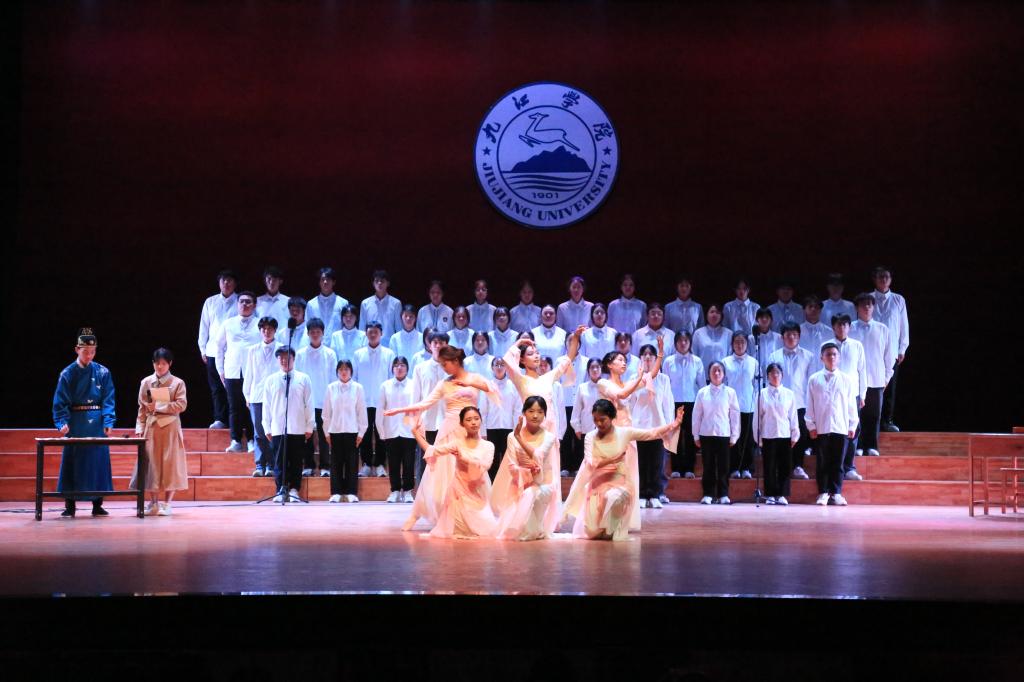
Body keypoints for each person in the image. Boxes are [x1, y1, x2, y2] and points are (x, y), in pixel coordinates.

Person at [384, 346, 497, 531]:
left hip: (469, 430)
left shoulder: (474, 378)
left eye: (445, 364)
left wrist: (470, 384)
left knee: (470, 471)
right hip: (449, 430)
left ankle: (468, 515)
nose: (444, 368)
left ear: (455, 361)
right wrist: (400, 410)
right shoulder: (444, 383)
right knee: (437, 474)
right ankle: (418, 514)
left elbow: (492, 390)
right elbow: (425, 403)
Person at [563, 399, 683, 541]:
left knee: (614, 498)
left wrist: (674, 424)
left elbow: (651, 433)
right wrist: (613, 460)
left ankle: (614, 529)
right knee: (592, 532)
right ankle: (604, 527)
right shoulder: (590, 437)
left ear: (612, 417)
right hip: (597, 485)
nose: (599, 423)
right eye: (595, 420)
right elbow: (591, 463)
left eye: (602, 419)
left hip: (620, 483)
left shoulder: (624, 433)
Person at [593, 339, 666, 523]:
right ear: (609, 365)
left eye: (625, 360)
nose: (624, 362)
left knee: (629, 473)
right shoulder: (603, 382)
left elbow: (652, 374)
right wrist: (639, 378)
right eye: (619, 360)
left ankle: (624, 517)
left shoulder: (628, 382)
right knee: (612, 473)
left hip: (627, 433)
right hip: (612, 434)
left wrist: (660, 353)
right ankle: (605, 515)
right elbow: (622, 394)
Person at [52, 328, 115, 518]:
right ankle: (70, 505)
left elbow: (108, 399)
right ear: (77, 349)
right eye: (85, 351)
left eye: (93, 351)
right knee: (73, 461)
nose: (89, 355)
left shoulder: (103, 372)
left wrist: (108, 420)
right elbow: (60, 401)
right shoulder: (67, 373)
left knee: (97, 462)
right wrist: (61, 421)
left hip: (97, 423)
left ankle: (98, 504)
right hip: (76, 422)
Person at [410, 407, 497, 539]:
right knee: (459, 530)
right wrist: (416, 433)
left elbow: (485, 465)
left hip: (477, 491)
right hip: (458, 494)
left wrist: (464, 458)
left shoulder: (488, 445)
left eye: (476, 419)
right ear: (462, 424)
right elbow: (432, 450)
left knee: (487, 530)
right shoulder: (457, 444)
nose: (473, 422)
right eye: (469, 420)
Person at [491, 397, 562, 541]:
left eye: (540, 412)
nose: (535, 415)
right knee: (523, 526)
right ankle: (535, 528)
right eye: (531, 411)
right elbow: (512, 466)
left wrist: (519, 438)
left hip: (542, 484)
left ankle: (535, 528)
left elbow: (538, 455)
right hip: (519, 484)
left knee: (529, 495)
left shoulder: (549, 437)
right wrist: (525, 472)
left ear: (545, 414)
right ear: (523, 413)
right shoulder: (511, 437)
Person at [131, 348, 188, 516]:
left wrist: (159, 406)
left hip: (170, 428)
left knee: (171, 464)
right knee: (151, 465)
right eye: (157, 363)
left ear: (170, 364)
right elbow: (142, 408)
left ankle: (167, 504)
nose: (160, 367)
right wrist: (140, 427)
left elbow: (181, 404)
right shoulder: (146, 382)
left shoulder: (177, 383)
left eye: (163, 363)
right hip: (152, 427)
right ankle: (154, 502)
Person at [502, 326, 585, 436]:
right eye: (530, 354)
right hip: (530, 429)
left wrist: (576, 336)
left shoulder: (547, 378)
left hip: (549, 429)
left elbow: (568, 358)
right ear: (522, 360)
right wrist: (519, 342)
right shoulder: (521, 380)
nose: (536, 356)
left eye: (537, 353)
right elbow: (507, 360)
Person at [806, 342, 859, 506]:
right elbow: (810, 404)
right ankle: (823, 492)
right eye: (828, 354)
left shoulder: (847, 380)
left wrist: (852, 425)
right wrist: (811, 425)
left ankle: (836, 493)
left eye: (834, 354)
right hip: (822, 427)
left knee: (838, 463)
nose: (831, 357)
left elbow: (851, 405)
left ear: (839, 357)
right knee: (822, 462)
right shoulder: (814, 379)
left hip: (840, 426)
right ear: (822, 357)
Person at [261, 348, 314, 503]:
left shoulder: (304, 378)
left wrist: (309, 426)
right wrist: (267, 427)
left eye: (288, 358)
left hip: (297, 427)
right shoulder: (271, 380)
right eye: (281, 358)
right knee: (279, 462)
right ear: (278, 360)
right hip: (278, 428)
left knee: (296, 461)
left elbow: (309, 403)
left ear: (294, 359)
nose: (284, 361)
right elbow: (266, 406)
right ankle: (280, 489)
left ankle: (294, 489)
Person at [767, 323, 816, 480]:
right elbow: (769, 379)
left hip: (801, 402)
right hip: (779, 403)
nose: (791, 337)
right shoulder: (774, 356)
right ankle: (782, 467)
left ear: (799, 337)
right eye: (788, 334)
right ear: (782, 337)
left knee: (799, 435)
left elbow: (811, 381)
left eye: (794, 334)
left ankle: (798, 466)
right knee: (781, 436)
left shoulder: (808, 356)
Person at [630, 344, 675, 508]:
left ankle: (655, 494)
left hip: (658, 425)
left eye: (651, 355)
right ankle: (642, 494)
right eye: (644, 355)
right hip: (639, 426)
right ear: (640, 359)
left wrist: (669, 426)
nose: (648, 357)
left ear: (656, 359)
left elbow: (668, 404)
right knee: (641, 462)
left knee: (657, 462)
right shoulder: (635, 378)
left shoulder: (663, 379)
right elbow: (630, 404)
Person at [215, 291, 260, 453]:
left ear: (254, 305)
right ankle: (235, 440)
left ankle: (251, 440)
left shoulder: (260, 324)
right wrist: (220, 370)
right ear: (237, 304)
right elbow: (218, 348)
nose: (245, 304)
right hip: (232, 370)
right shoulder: (228, 323)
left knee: (250, 406)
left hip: (252, 372)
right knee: (234, 406)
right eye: (242, 301)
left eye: (248, 302)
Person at [850, 293, 895, 457]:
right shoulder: (850, 328)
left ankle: (872, 445)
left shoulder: (883, 329)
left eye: (870, 304)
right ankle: (859, 445)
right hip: (856, 381)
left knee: (874, 415)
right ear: (857, 308)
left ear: (874, 307)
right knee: (857, 415)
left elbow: (890, 357)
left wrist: (886, 378)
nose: (867, 307)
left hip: (876, 379)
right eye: (863, 304)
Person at [692, 361, 740, 505]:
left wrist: (734, 435)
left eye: (719, 370)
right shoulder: (702, 392)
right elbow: (697, 415)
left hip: (723, 433)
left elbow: (735, 415)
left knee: (724, 466)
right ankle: (708, 494)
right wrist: (696, 435)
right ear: (709, 374)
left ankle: (723, 494)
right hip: (706, 433)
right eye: (714, 370)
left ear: (724, 374)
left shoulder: (730, 392)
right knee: (708, 465)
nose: (716, 373)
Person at [352, 321, 395, 478]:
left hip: (381, 401)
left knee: (381, 432)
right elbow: (355, 378)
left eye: (376, 331)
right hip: (363, 400)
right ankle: (366, 464)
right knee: (364, 432)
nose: (373, 334)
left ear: (381, 334)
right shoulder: (358, 354)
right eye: (370, 332)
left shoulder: (389, 354)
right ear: (366, 333)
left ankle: (380, 464)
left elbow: (391, 378)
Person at [295, 318, 337, 477]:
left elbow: (333, 379)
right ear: (308, 333)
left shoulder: (330, 354)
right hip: (305, 400)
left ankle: (325, 466)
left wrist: (332, 400)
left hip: (324, 400)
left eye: (318, 332)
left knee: (324, 433)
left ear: (323, 333)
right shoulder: (300, 354)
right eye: (312, 332)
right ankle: (308, 465)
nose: (315, 334)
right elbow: (297, 377)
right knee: (307, 434)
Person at [197, 269, 238, 429]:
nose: (226, 283)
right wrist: (202, 349)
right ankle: (220, 419)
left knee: (233, 389)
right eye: (223, 280)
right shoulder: (210, 301)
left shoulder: (240, 301)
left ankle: (236, 421)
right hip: (213, 351)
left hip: (232, 353)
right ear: (219, 283)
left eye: (230, 280)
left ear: (235, 283)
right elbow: (204, 326)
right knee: (216, 388)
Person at [323, 360, 367, 503]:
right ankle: (336, 492)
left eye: (346, 369)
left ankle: (351, 492)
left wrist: (361, 433)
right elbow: (326, 413)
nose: (343, 372)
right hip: (335, 431)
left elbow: (362, 412)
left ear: (351, 371)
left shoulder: (358, 388)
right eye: (341, 369)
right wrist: (326, 432)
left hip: (352, 431)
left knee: (351, 463)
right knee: (335, 463)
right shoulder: (331, 388)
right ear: (337, 371)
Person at [871, 266, 910, 431]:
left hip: (892, 351)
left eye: (887, 276)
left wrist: (902, 349)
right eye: (880, 276)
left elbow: (903, 326)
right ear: (875, 279)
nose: (884, 279)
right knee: (872, 387)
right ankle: (872, 421)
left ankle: (887, 420)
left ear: (891, 280)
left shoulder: (898, 300)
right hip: (872, 351)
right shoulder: (868, 299)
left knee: (889, 388)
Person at [754, 363, 799, 506]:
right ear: (767, 376)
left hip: (784, 434)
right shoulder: (762, 394)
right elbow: (757, 417)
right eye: (772, 373)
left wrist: (795, 434)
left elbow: (793, 416)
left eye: (777, 373)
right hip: (768, 434)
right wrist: (758, 437)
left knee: (784, 466)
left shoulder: (789, 394)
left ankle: (782, 495)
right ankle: (770, 495)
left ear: (782, 375)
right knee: (769, 466)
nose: (775, 375)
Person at [662, 331, 705, 479]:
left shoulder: (697, 361)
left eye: (686, 340)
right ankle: (676, 468)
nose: (683, 343)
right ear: (675, 343)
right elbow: (665, 385)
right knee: (675, 436)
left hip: (692, 402)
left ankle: (689, 468)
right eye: (680, 340)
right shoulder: (668, 361)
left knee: (691, 436)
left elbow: (701, 385)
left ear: (690, 343)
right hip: (674, 402)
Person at [242, 316, 280, 477]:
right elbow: (248, 374)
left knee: (272, 431)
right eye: (263, 328)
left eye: (270, 328)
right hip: (256, 396)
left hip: (275, 397)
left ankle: (271, 465)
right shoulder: (253, 350)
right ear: (260, 331)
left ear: (275, 330)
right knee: (258, 432)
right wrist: (247, 396)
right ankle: (259, 465)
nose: (266, 331)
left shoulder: (281, 349)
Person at [831, 314, 867, 481]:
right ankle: (834, 468)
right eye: (839, 325)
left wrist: (862, 395)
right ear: (833, 327)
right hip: (833, 395)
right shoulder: (827, 345)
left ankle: (849, 467)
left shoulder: (857, 345)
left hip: (852, 395)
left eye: (845, 325)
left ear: (849, 327)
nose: (842, 328)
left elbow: (862, 371)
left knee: (853, 430)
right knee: (835, 432)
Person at [409, 331, 449, 478]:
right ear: (429, 346)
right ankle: (423, 492)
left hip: (447, 422)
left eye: (441, 343)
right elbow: (415, 398)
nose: (438, 346)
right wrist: (414, 422)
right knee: (424, 462)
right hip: (425, 422)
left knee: (446, 463)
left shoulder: (453, 368)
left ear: (446, 345)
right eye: (435, 343)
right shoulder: (420, 368)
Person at [377, 357, 416, 503]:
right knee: (393, 463)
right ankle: (394, 491)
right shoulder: (385, 386)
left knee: (409, 463)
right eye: (396, 365)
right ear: (392, 368)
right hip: (391, 429)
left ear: (407, 368)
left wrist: (417, 428)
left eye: (402, 365)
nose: (399, 368)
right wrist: (381, 430)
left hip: (409, 430)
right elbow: (380, 409)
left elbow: (418, 407)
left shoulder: (414, 385)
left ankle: (408, 491)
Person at [723, 332, 758, 480]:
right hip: (731, 406)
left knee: (748, 439)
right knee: (733, 439)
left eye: (742, 342)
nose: (739, 344)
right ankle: (734, 468)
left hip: (748, 405)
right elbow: (723, 384)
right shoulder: (725, 362)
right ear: (732, 344)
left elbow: (756, 385)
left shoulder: (753, 362)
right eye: (736, 342)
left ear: (746, 344)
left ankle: (747, 468)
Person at [481, 357, 521, 480]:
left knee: (507, 460)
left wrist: (516, 431)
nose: (499, 367)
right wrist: (483, 432)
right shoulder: (487, 386)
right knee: (491, 460)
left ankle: (505, 487)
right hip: (491, 428)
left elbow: (517, 410)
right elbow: (483, 411)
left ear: (506, 368)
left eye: (502, 365)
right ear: (492, 368)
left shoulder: (513, 386)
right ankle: (491, 487)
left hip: (508, 428)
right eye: (496, 365)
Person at [569, 358, 604, 476]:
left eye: (597, 367)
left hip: (603, 428)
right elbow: (576, 409)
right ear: (588, 371)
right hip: (586, 428)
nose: (595, 370)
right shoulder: (582, 387)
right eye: (592, 367)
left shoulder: (607, 386)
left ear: (601, 369)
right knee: (586, 459)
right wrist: (577, 427)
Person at [359, 269, 403, 340]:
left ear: (388, 283)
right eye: (376, 281)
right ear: (373, 284)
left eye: (382, 281)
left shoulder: (396, 303)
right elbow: (362, 329)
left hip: (389, 344)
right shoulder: (365, 303)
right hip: (370, 344)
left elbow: (399, 328)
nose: (379, 283)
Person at [307, 267, 349, 339]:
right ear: (319, 283)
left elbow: (347, 326)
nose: (325, 282)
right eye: (322, 279)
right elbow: (307, 327)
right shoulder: (311, 304)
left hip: (337, 342)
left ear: (334, 282)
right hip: (317, 342)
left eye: (328, 279)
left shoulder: (343, 303)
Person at [255, 266, 290, 337]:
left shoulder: (288, 301)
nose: (271, 282)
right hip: (262, 339)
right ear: (265, 281)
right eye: (269, 279)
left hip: (282, 339)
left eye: (275, 280)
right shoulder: (257, 301)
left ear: (280, 281)